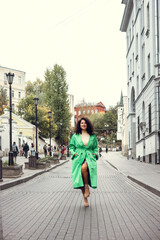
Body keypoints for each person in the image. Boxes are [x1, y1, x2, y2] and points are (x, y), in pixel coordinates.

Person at [69, 117, 98, 207]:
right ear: (79, 125)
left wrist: (95, 154)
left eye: (85, 123)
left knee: (84, 167)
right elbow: (71, 147)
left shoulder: (92, 136)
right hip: (78, 158)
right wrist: (74, 154)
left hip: (89, 157)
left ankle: (86, 186)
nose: (83, 124)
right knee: (80, 177)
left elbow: (96, 148)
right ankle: (85, 198)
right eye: (82, 123)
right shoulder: (75, 136)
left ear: (87, 124)